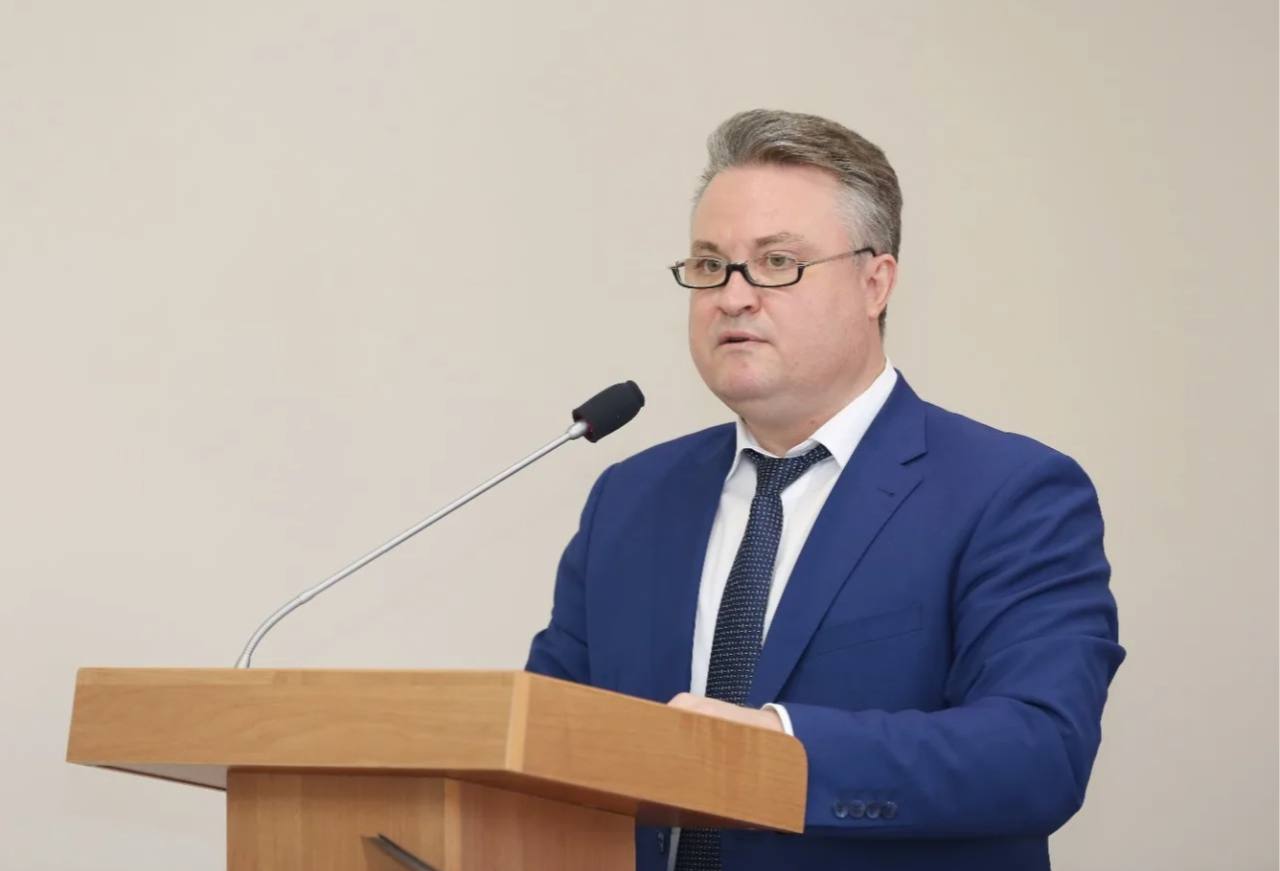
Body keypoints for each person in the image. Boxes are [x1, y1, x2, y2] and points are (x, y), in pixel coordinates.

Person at [526, 108, 1125, 871]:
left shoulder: (1011, 494)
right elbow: (546, 740)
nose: (733, 296)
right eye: (709, 265)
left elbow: (1038, 751)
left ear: (876, 282)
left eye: (777, 262)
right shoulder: (631, 498)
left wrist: (778, 748)